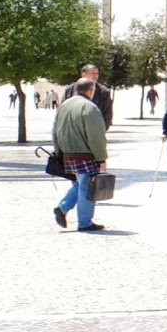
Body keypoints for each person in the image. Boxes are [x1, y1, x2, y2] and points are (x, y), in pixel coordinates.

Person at [52, 78, 108, 232]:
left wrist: (58, 153)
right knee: (87, 187)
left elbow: (55, 130)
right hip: (86, 154)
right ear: (91, 90)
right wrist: (101, 158)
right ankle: (84, 222)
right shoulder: (90, 107)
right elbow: (96, 136)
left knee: (81, 183)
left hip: (68, 153)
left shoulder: (64, 105)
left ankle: (62, 208)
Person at [63, 64, 113, 131]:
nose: (95, 76)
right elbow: (62, 110)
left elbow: (107, 114)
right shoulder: (70, 90)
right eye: (93, 73)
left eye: (97, 73)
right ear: (83, 75)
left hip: (94, 131)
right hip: (73, 131)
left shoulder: (103, 92)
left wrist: (101, 131)